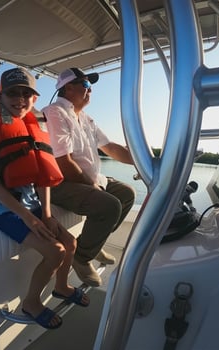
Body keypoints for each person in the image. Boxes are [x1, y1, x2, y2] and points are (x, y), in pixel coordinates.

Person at [0, 67, 90, 330]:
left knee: (70, 243)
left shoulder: (36, 130)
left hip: (34, 207)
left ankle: (61, 286)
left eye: (26, 94)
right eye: (13, 93)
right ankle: (31, 302)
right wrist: (28, 218)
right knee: (55, 252)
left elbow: (42, 179)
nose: (20, 99)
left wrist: (46, 214)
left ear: (35, 99)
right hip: (4, 211)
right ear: (0, 97)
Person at [42, 67, 136, 287]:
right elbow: (63, 163)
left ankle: (93, 243)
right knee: (109, 206)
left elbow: (110, 147)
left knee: (127, 194)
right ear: (68, 88)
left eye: (90, 86)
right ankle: (81, 257)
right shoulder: (55, 113)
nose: (90, 90)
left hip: (86, 179)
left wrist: (140, 161)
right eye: (85, 85)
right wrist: (92, 185)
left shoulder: (85, 118)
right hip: (60, 183)